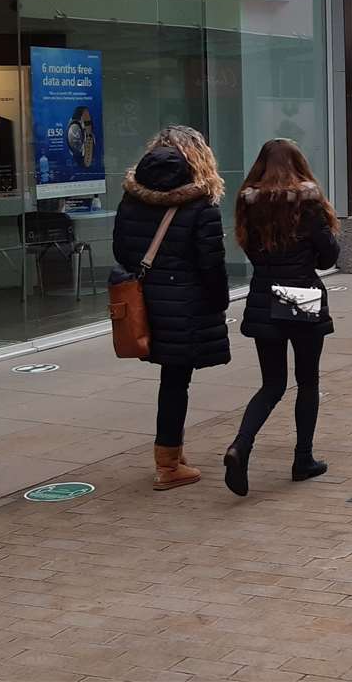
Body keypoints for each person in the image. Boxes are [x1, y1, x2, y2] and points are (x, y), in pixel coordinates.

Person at [112, 126, 230, 491]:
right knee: (177, 381)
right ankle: (167, 464)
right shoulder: (201, 204)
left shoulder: (132, 198)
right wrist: (218, 302)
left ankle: (172, 454)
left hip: (148, 302)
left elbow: (121, 250)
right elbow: (212, 264)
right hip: (187, 304)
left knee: (172, 379)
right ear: (198, 156)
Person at [223, 139, 341, 495]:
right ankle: (302, 459)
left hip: (264, 294)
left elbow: (249, 249)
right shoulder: (309, 205)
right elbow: (328, 256)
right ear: (298, 166)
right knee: (307, 381)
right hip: (300, 295)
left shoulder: (249, 205)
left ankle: (240, 445)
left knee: (272, 383)